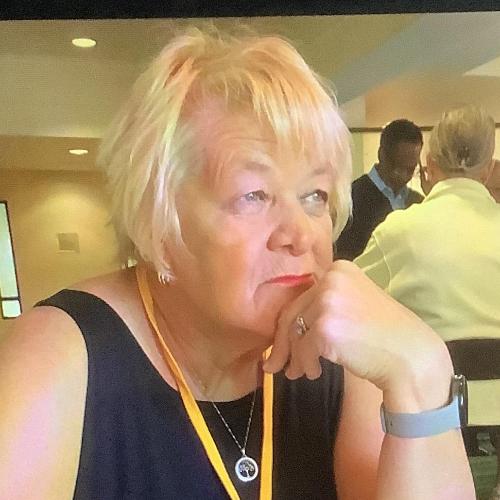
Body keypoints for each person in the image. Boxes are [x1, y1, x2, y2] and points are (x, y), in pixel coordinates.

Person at [0, 30, 474, 500]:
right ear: (158, 217)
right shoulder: (58, 357)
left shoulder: (338, 356)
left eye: (314, 195)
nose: (301, 233)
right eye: (254, 195)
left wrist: (421, 369)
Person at [355, 104, 500, 500]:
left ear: (430, 163)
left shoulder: (399, 232)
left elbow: (348, 306)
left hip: (429, 423)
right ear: (488, 169)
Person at [335, 119, 424, 261]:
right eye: (398, 168)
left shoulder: (418, 203)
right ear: (381, 155)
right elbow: (344, 258)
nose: (404, 176)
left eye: (410, 169)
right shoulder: (351, 199)